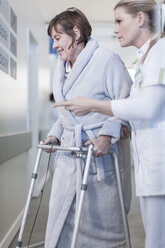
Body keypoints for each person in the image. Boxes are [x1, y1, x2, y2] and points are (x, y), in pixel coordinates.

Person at [54, 1, 165, 247]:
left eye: (118, 20)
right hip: (149, 164)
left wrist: (95, 108)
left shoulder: (157, 52)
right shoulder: (144, 58)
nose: (115, 29)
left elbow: (146, 107)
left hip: (157, 164)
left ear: (139, 19)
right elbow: (134, 107)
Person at [44, 7, 133, 248]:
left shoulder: (107, 61)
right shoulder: (60, 70)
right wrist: (54, 136)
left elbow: (127, 105)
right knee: (62, 225)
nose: (55, 46)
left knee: (102, 231)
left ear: (76, 32)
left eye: (58, 38)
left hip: (99, 160)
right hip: (68, 162)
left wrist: (106, 135)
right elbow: (64, 116)